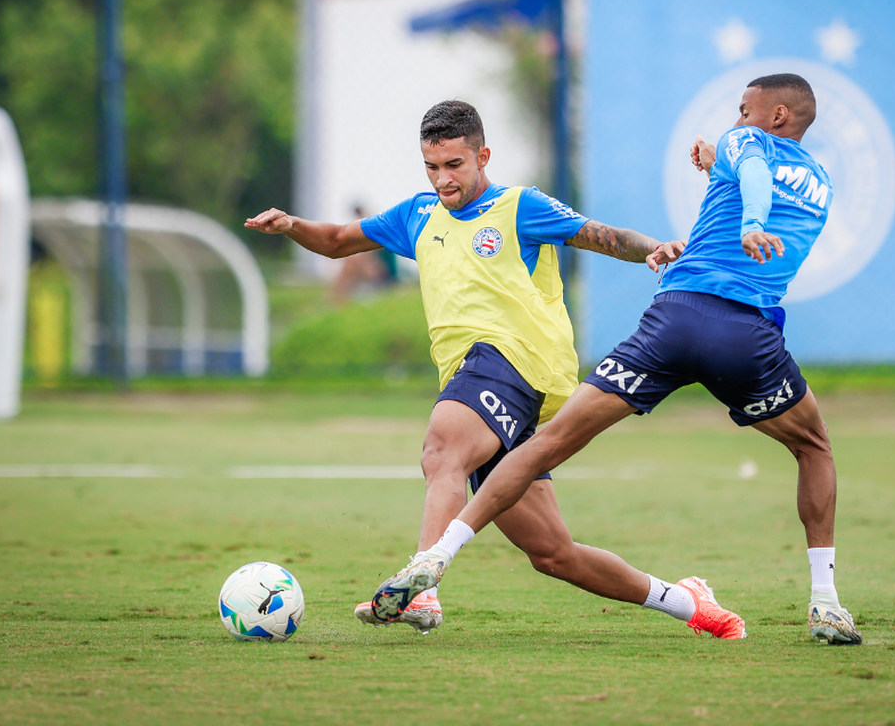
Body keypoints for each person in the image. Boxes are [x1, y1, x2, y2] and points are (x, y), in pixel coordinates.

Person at [370, 75, 864, 645]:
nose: (737, 119)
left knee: (546, 444)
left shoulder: (745, 144)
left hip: (676, 318)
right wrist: (720, 164)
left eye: (744, 110)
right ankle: (825, 603)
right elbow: (752, 169)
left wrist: (748, 211)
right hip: (746, 335)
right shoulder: (822, 183)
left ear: (776, 115)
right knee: (814, 446)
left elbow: (751, 165)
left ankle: (436, 560)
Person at [245, 99, 746, 639]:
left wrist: (655, 249)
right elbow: (340, 241)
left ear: (483, 155)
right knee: (554, 554)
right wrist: (293, 225)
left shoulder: (518, 207)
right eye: (432, 167)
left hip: (517, 360)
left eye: (454, 165)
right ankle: (688, 602)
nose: (442, 179)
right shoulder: (417, 214)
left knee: (442, 451)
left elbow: (600, 234)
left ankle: (423, 591)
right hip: (481, 382)